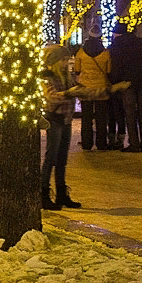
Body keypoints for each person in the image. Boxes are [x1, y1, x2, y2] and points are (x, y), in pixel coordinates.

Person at [41, 44, 81, 210]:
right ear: (55, 61)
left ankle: (61, 192)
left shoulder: (67, 77)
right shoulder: (47, 77)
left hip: (66, 120)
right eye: (63, 60)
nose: (67, 63)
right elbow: (51, 97)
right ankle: (43, 192)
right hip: (54, 119)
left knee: (62, 158)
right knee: (51, 156)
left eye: (67, 60)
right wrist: (69, 94)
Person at [108, 22, 142, 152]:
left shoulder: (116, 45)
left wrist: (116, 82)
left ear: (117, 34)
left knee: (130, 114)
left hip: (127, 84)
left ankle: (134, 143)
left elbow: (115, 67)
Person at [73, 33, 111, 150]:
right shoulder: (105, 53)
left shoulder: (81, 52)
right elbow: (108, 70)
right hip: (101, 88)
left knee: (86, 117)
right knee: (101, 118)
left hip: (86, 87)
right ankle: (101, 143)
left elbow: (77, 70)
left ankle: (86, 142)